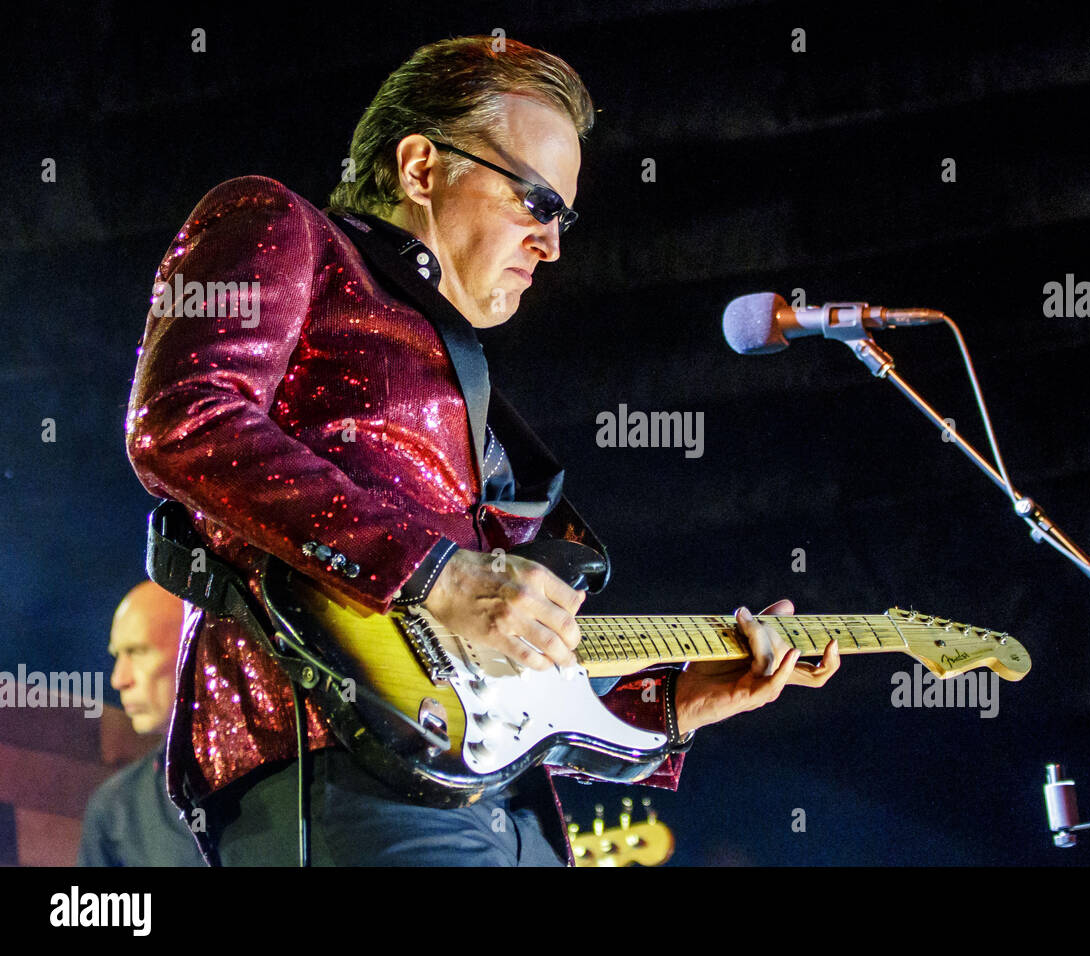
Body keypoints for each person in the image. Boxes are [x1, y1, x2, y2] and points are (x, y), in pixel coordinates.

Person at [124, 36, 839, 866]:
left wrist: (685, 700)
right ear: (422, 166)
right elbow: (184, 418)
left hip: (509, 809)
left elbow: (515, 696)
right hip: (336, 769)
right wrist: (434, 571)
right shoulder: (282, 224)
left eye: (565, 219)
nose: (553, 244)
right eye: (537, 201)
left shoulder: (474, 409)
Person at [77, 581, 206, 866]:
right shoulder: (114, 808)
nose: (118, 679)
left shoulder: (292, 779)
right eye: (117, 655)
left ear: (197, 646)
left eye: (137, 651)